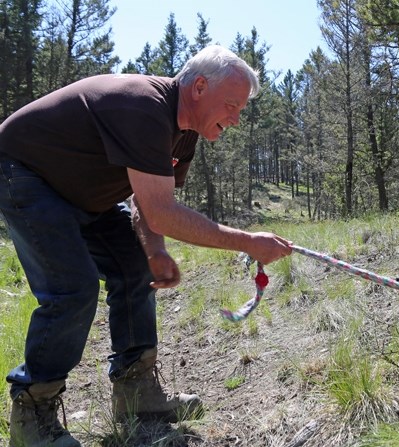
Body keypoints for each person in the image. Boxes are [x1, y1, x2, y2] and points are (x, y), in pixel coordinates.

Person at [0, 45, 293, 446]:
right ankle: (32, 412)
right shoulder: (143, 106)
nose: (236, 120)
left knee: (137, 269)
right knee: (73, 287)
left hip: (88, 193)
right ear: (200, 87)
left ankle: (135, 392)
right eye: (231, 105)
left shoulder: (184, 134)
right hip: (25, 172)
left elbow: (147, 200)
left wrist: (154, 251)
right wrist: (247, 242)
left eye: (240, 110)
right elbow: (163, 212)